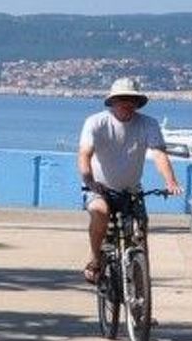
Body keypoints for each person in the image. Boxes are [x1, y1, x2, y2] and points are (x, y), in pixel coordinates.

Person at [76, 76, 180, 282]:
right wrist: (89, 181)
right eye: (121, 99)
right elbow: (84, 154)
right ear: (113, 102)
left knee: (140, 227)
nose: (126, 104)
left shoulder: (148, 124)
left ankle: (137, 274)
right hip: (99, 187)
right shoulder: (96, 122)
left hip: (130, 188)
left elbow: (159, 154)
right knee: (100, 212)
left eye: (131, 99)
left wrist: (170, 182)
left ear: (137, 103)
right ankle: (95, 258)